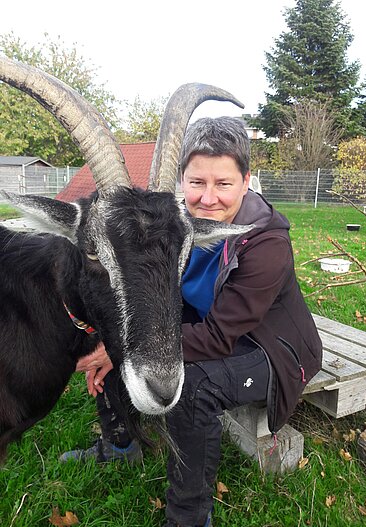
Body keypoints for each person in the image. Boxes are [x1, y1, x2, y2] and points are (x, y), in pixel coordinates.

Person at [61, 117, 323, 527]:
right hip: (207, 326)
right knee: (113, 332)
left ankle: (190, 515)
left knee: (191, 389)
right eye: (197, 182)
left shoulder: (268, 242)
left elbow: (220, 337)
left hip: (270, 351)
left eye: (223, 183)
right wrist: (118, 345)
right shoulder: (177, 226)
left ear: (246, 180)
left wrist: (130, 350)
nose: (208, 198)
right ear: (182, 179)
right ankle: (120, 444)